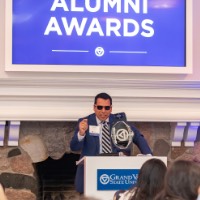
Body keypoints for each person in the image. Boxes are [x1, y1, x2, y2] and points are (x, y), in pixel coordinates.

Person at [70, 92, 152, 194]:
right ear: (94, 107)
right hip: (91, 171)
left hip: (113, 170)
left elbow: (137, 136)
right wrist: (81, 133)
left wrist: (149, 155)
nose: (103, 111)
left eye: (107, 108)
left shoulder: (118, 121)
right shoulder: (85, 122)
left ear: (111, 108)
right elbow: (74, 147)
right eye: (100, 107)